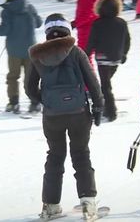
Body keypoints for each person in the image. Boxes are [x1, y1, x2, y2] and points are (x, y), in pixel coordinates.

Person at [27, 13, 104, 219]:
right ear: (66, 30)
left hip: (52, 117)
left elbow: (29, 88)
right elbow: (93, 82)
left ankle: (50, 206)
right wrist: (98, 106)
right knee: (81, 154)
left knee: (55, 156)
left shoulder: (38, 55)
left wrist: (47, 101)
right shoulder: (76, 52)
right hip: (79, 113)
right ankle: (88, 204)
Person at [0, 0, 43, 114]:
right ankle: (35, 103)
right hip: (31, 49)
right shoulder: (29, 7)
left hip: (14, 51)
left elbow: (5, 29)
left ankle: (14, 103)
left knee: (13, 77)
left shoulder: (7, 11)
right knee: (30, 78)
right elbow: (39, 23)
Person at [86, 0, 130, 122]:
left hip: (102, 58)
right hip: (116, 58)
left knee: (105, 86)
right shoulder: (122, 23)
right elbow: (127, 40)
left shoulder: (97, 23)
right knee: (106, 85)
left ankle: (110, 112)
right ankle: (106, 106)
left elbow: (91, 42)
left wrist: (84, 56)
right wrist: (124, 54)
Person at [72, 0, 107, 68]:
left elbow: (84, 15)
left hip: (86, 31)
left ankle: (89, 81)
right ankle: (101, 80)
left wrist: (75, 23)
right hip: (101, 30)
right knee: (101, 62)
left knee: (84, 59)